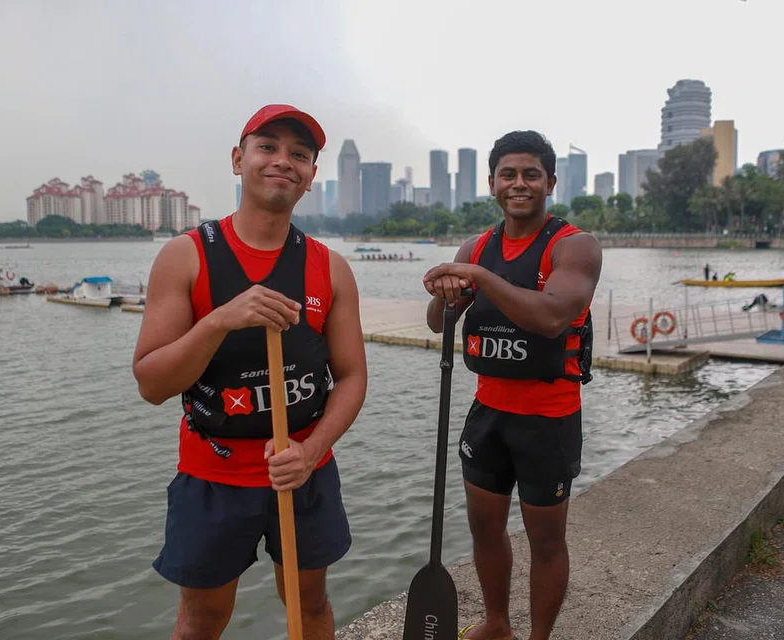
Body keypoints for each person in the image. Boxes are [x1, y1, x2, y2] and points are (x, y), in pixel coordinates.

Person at [132, 104, 367, 639]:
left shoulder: (329, 267)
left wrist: (310, 452)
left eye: (300, 155)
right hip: (213, 474)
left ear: (310, 179)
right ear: (239, 160)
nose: (283, 161)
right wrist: (218, 321)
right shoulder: (185, 256)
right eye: (268, 147)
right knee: (202, 619)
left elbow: (351, 377)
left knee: (308, 608)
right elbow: (151, 384)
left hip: (303, 468)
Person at [422, 130, 602, 640]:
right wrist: (447, 293)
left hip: (549, 419)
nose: (518, 184)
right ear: (492, 183)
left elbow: (550, 318)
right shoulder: (476, 245)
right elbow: (440, 323)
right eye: (508, 174)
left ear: (549, 181)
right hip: (489, 415)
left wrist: (478, 275)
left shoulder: (575, 246)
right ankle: (497, 625)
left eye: (529, 175)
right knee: (485, 529)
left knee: (546, 542)